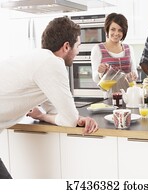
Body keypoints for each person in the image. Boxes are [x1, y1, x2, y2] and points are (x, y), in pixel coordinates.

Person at [0, 16, 99, 179]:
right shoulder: (52, 63)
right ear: (67, 46)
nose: (78, 51)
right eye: (78, 46)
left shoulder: (37, 58)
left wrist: (76, 117)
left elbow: (56, 109)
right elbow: (68, 120)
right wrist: (54, 116)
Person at [91, 13, 138, 95]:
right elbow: (95, 78)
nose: (116, 33)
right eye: (113, 29)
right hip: (110, 97)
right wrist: (100, 72)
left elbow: (134, 72)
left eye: (120, 30)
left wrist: (133, 76)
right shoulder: (98, 49)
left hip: (129, 96)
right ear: (107, 29)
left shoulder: (129, 48)